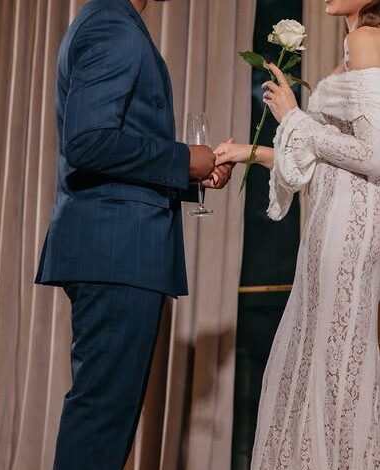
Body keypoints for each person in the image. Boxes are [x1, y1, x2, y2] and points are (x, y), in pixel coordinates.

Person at [214, 0, 380, 467]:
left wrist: (293, 116)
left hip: (354, 220)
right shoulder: (364, 42)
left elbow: (373, 155)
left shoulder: (365, 39)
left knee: (335, 366)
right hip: (351, 212)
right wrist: (251, 152)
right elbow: (329, 154)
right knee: (328, 359)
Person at [34, 0, 234, 469]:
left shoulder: (109, 20)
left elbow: (109, 143)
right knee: (102, 420)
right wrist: (182, 159)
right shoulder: (112, 24)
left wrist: (189, 175)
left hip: (116, 248)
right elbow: (87, 141)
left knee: (107, 419)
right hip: (117, 250)